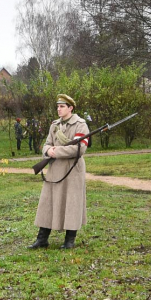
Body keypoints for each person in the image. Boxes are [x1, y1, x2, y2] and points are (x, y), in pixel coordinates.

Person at [29, 94, 91, 250]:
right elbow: (46, 145)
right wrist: (48, 150)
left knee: (72, 203)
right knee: (48, 202)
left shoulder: (80, 125)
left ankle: (69, 240)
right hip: (55, 169)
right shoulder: (54, 125)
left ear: (70, 108)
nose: (59, 109)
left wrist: (56, 152)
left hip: (72, 169)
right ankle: (42, 239)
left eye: (62, 106)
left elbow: (79, 149)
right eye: (57, 106)